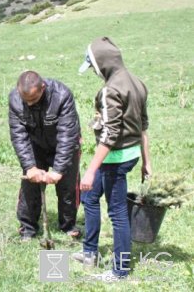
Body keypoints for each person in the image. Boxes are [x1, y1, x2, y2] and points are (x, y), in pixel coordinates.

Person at [72, 37, 151, 281]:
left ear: (102, 64)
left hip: (114, 158)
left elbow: (109, 135)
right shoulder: (137, 83)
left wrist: (89, 171)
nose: (95, 73)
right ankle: (89, 253)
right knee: (89, 196)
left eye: (94, 67)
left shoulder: (109, 91)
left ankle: (120, 271)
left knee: (117, 213)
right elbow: (143, 126)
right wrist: (147, 162)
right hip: (130, 154)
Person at [8, 70, 82, 241]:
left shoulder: (62, 95)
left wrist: (58, 170)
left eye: (33, 100)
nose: (29, 104)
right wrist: (30, 166)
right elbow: (18, 135)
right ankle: (27, 227)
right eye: (25, 101)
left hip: (63, 145)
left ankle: (68, 225)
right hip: (35, 145)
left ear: (43, 87)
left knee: (68, 187)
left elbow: (67, 135)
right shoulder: (15, 99)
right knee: (29, 186)